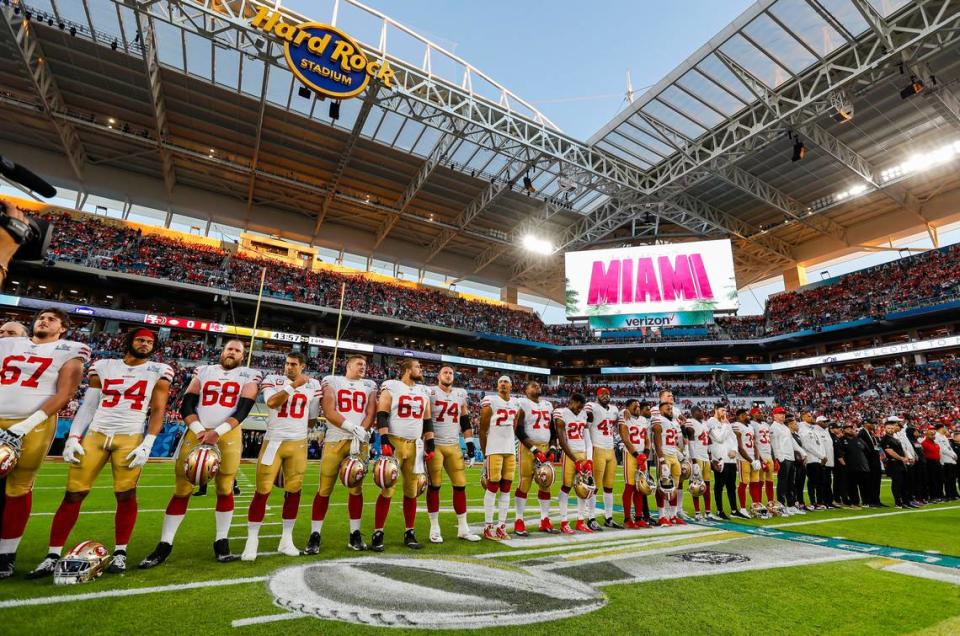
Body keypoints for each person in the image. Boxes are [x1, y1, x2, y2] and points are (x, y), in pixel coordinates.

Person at [27, 328, 170, 578]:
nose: (145, 344)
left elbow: (158, 411)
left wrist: (148, 442)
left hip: (130, 436)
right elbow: (89, 404)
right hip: (96, 434)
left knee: (126, 495)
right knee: (73, 494)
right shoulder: (103, 366)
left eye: (149, 342)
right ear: (129, 341)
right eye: (140, 339)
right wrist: (73, 436)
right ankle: (52, 555)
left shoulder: (158, 371)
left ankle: (121, 552)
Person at [139, 339, 261, 568]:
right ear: (222, 351)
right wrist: (199, 429)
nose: (232, 352)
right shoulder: (203, 371)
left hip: (228, 435)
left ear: (242, 356)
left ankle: (221, 543)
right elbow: (187, 404)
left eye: (237, 350)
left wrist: (218, 432)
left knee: (225, 489)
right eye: (229, 349)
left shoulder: (249, 374)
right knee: (182, 489)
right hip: (198, 431)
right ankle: (164, 544)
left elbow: (244, 408)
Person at [0, 308, 89, 578]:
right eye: (41, 317)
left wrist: (25, 426)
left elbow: (66, 393)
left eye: (52, 319)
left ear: (62, 328)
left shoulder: (71, 349)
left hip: (33, 424)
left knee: (19, 488)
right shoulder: (8, 343)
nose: (44, 320)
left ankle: (6, 555)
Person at [242, 352, 321, 561]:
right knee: (262, 490)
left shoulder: (313, 385)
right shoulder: (273, 380)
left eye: (294, 364)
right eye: (287, 364)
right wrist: (292, 386)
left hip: (298, 443)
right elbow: (272, 403)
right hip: (273, 441)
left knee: (294, 491)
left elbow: (312, 419)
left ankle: (286, 539)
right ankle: (252, 540)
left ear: (302, 366)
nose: (289, 367)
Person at [305, 354, 377, 553]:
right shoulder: (332, 380)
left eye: (365, 364)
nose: (363, 366)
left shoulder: (370, 384)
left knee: (356, 489)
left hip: (358, 442)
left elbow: (371, 412)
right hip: (336, 438)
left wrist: (361, 432)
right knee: (324, 488)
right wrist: (354, 428)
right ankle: (315, 534)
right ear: (348, 365)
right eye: (359, 363)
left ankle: (355, 534)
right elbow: (328, 410)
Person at [373, 358, 435, 551]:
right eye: (418, 366)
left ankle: (409, 531)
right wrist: (384, 440)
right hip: (395, 441)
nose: (421, 369)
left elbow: (427, 419)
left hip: (416, 445)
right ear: (407, 370)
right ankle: (378, 532)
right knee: (387, 488)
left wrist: (430, 443)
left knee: (412, 490)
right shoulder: (391, 386)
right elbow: (381, 413)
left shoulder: (424, 390)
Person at [426, 366, 480, 543]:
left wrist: (470, 443)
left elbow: (465, 421)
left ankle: (463, 529)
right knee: (434, 486)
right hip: (436, 445)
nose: (448, 375)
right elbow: (425, 418)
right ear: (438, 376)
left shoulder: (460, 394)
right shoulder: (430, 392)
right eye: (445, 373)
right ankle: (434, 528)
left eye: (450, 373)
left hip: (454, 445)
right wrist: (426, 443)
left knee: (460, 486)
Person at [479, 376, 520, 541]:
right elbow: (482, 429)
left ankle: (501, 525)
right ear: (497, 386)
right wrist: (485, 452)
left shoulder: (516, 403)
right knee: (492, 487)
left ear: (511, 386)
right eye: (500, 382)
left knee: (506, 488)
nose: (503, 384)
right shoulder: (491, 401)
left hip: (510, 449)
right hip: (494, 448)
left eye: (506, 382)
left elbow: (515, 424)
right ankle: (488, 526)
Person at [514, 380, 556, 534]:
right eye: (533, 385)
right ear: (526, 390)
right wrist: (533, 449)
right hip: (528, 448)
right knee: (525, 482)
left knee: (546, 483)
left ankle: (544, 520)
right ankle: (519, 519)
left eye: (538, 385)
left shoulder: (547, 405)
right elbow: (518, 430)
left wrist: (553, 447)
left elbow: (552, 429)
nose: (537, 386)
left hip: (545, 446)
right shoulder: (522, 403)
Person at [553, 393, 592, 534]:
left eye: (581, 407)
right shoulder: (561, 413)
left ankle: (580, 520)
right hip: (569, 454)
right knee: (566, 486)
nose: (579, 410)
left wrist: (589, 459)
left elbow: (587, 439)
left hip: (582, 453)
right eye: (578, 406)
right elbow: (562, 440)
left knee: (584, 488)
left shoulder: (583, 414)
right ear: (572, 402)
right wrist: (575, 460)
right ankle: (564, 522)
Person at [584, 388, 621, 529]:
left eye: (607, 394)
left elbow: (620, 418)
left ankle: (609, 517)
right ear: (597, 396)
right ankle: (591, 518)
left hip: (610, 449)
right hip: (597, 447)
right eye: (602, 394)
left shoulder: (614, 409)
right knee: (595, 487)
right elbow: (585, 421)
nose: (605, 396)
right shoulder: (591, 406)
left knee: (609, 487)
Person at [652, 401, 685, 525]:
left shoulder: (673, 422)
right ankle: (661, 516)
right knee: (662, 485)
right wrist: (661, 459)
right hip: (664, 455)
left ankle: (673, 515)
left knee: (674, 487)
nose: (670, 410)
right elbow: (656, 440)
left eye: (671, 409)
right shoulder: (658, 419)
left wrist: (680, 455)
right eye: (667, 409)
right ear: (660, 410)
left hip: (674, 455)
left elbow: (674, 441)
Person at [619, 399, 651, 528]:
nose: (638, 407)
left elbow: (647, 439)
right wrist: (637, 456)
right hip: (630, 455)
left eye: (639, 406)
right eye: (634, 406)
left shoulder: (643, 420)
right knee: (630, 486)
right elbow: (626, 439)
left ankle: (639, 517)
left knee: (641, 487)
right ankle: (627, 518)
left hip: (642, 455)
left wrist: (645, 455)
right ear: (627, 407)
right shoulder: (624, 417)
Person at [708, 404, 737, 520]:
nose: (724, 412)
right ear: (716, 410)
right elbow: (719, 438)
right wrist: (725, 426)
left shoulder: (726, 423)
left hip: (731, 458)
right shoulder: (711, 422)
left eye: (725, 410)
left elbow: (733, 438)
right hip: (720, 458)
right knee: (719, 485)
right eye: (722, 410)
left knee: (731, 486)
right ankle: (720, 510)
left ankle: (734, 510)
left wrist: (734, 449)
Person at [686, 406, 713, 521]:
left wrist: (713, 456)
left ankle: (708, 512)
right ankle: (697, 512)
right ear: (694, 412)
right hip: (696, 456)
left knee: (706, 485)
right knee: (695, 486)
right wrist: (693, 460)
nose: (703, 412)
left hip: (705, 457)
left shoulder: (705, 423)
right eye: (700, 411)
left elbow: (709, 441)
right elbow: (690, 440)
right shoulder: (690, 422)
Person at [732, 408, 760, 518]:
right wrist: (751, 460)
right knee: (744, 483)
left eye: (747, 414)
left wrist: (757, 459)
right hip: (743, 458)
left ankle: (755, 505)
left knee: (755, 483)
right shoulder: (736, 425)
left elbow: (755, 444)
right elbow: (739, 447)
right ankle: (743, 508)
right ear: (739, 416)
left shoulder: (750, 427)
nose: (747, 416)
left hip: (753, 457)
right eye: (744, 415)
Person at [770, 408, 795, 513]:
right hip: (783, 457)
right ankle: (781, 505)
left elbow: (791, 442)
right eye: (780, 413)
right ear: (774, 415)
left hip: (790, 457)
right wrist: (779, 458)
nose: (782, 415)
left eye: (783, 414)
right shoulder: (773, 427)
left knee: (790, 483)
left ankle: (790, 505)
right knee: (782, 483)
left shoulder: (785, 427)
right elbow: (774, 444)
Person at [880, 418, 909, 508]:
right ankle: (898, 502)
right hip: (893, 463)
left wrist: (906, 457)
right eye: (889, 428)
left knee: (903, 483)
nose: (891, 430)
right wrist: (902, 458)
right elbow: (889, 451)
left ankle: (904, 501)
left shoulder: (894, 438)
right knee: (897, 483)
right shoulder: (885, 439)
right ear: (885, 428)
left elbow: (901, 450)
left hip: (900, 463)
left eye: (892, 428)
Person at [842, 423, 869, 509]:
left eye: (851, 428)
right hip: (849, 467)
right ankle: (854, 502)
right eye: (847, 428)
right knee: (851, 486)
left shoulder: (858, 439)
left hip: (861, 466)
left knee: (863, 486)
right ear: (844, 430)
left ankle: (864, 502)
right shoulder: (842, 440)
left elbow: (867, 450)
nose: (850, 430)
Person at [802, 416, 827, 510]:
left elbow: (820, 445)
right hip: (811, 460)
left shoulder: (814, 430)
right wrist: (821, 456)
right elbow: (807, 446)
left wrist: (823, 457)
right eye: (808, 416)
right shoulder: (804, 430)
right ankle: (813, 502)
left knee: (820, 482)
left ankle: (819, 501)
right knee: (812, 482)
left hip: (819, 459)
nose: (811, 417)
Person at [858, 421, 885, 507]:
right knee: (868, 482)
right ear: (866, 424)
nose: (874, 425)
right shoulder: (862, 433)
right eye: (872, 423)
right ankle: (868, 501)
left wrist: (882, 456)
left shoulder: (872, 434)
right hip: (868, 462)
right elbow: (863, 449)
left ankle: (876, 500)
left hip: (876, 461)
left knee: (876, 481)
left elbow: (877, 446)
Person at [752, 408, 775, 505]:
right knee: (759, 481)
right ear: (753, 414)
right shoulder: (752, 424)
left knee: (770, 480)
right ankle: (758, 503)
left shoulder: (766, 424)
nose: (761, 414)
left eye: (761, 412)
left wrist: (773, 456)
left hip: (768, 454)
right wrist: (759, 458)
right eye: (759, 413)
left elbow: (770, 441)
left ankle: (770, 502)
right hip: (760, 456)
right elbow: (753, 442)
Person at [935, 423, 957, 500]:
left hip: (950, 459)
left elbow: (949, 447)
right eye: (945, 428)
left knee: (952, 478)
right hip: (944, 460)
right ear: (941, 428)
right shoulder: (937, 436)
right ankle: (949, 494)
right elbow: (942, 449)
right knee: (947, 479)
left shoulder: (944, 436)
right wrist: (953, 455)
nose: (946, 429)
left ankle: (953, 494)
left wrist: (954, 454)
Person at [920, 427, 943, 502]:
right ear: (927, 435)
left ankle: (937, 495)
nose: (933, 436)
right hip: (930, 463)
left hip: (937, 462)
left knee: (938, 480)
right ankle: (932, 496)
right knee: (931, 480)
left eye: (934, 434)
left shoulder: (935, 443)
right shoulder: (924, 443)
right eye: (931, 435)